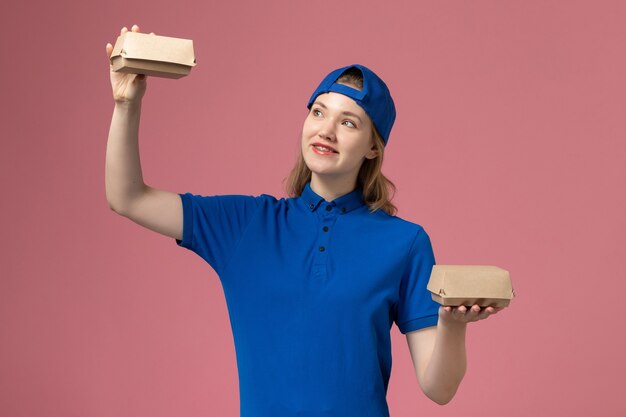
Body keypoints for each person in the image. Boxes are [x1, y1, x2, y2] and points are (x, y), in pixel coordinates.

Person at [105, 24, 504, 417]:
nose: (326, 130)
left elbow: (439, 389)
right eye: (318, 112)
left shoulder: (405, 243)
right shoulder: (246, 225)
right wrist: (127, 104)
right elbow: (128, 197)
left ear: (372, 147)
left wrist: (452, 325)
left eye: (348, 122)